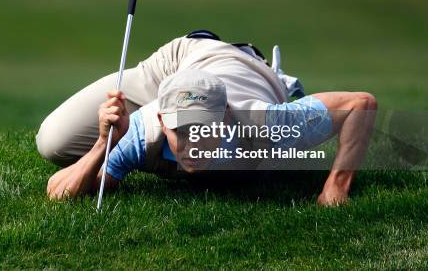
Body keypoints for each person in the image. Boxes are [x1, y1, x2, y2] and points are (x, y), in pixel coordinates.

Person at [37, 31, 377, 206]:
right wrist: (103, 144)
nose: (193, 143)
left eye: (204, 128)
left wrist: (336, 185)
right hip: (181, 61)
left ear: (225, 119)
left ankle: (275, 77)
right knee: (53, 142)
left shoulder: (269, 125)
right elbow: (58, 192)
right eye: (181, 131)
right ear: (161, 119)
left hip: (244, 71)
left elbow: (360, 103)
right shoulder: (144, 130)